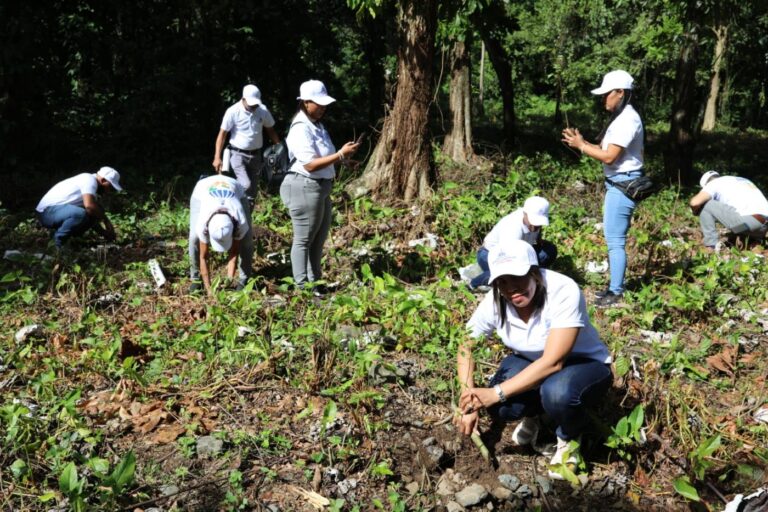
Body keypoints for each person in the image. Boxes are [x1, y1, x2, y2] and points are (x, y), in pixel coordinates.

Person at [455, 240, 612, 480]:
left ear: (535, 272)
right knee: (502, 406)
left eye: (517, 277)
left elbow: (553, 362)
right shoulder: (495, 302)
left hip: (582, 365)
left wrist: (494, 392)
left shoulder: (562, 290)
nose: (511, 288)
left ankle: (569, 436)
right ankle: (539, 415)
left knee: (557, 392)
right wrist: (468, 399)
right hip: (531, 362)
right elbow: (466, 344)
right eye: (502, 281)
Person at [561, 70, 644, 307]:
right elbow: (605, 148)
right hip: (619, 182)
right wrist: (582, 143)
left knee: (615, 240)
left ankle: (616, 292)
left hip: (623, 184)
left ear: (620, 93)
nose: (603, 98)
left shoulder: (628, 120)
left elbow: (609, 157)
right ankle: (613, 288)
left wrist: (581, 146)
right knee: (613, 238)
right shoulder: (622, 118)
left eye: (606, 94)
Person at [280, 79, 360, 293]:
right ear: (306, 102)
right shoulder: (300, 128)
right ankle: (302, 287)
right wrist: (340, 154)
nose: (323, 108)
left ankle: (316, 282)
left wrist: (344, 160)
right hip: (304, 186)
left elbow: (324, 156)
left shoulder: (318, 126)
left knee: (318, 239)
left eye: (325, 104)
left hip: (321, 188)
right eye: (319, 103)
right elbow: (310, 164)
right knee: (303, 239)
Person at [470, 196, 557, 290]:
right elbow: (508, 256)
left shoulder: (534, 223)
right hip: (490, 254)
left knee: (549, 250)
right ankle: (473, 283)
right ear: (525, 213)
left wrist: (539, 241)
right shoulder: (512, 227)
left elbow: (537, 234)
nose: (536, 226)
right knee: (507, 272)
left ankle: (530, 275)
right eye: (534, 221)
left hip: (521, 250)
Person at [188, 174, 253, 295]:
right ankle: (196, 278)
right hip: (202, 191)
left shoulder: (240, 221)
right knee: (194, 237)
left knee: (247, 239)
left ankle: (244, 279)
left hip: (235, 188)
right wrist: (209, 289)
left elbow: (234, 252)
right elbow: (204, 257)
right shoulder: (203, 223)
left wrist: (229, 280)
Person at [213, 84, 281, 195]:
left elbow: (271, 130)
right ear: (243, 99)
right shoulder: (233, 111)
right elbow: (222, 134)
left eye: (256, 104)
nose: (254, 107)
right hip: (237, 154)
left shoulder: (262, 110)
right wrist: (217, 157)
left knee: (252, 192)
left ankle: (247, 211)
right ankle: (234, 204)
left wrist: (279, 149)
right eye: (251, 104)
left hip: (256, 156)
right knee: (245, 185)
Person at [36, 166, 123, 248]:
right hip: (46, 212)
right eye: (110, 187)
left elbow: (92, 213)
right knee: (81, 213)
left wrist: (104, 233)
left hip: (54, 212)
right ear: (103, 180)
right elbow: (89, 206)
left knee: (95, 210)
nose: (109, 191)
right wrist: (106, 220)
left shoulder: (91, 187)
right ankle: (57, 245)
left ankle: (68, 241)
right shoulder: (89, 180)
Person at [690, 170, 768, 250]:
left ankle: (711, 246)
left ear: (705, 184)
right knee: (733, 233)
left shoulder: (713, 184)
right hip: (762, 227)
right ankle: (753, 242)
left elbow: (694, 203)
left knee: (704, 204)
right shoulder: (741, 180)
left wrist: (695, 211)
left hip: (747, 223)